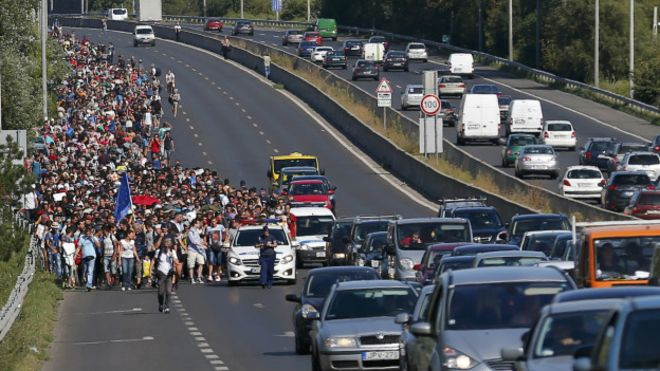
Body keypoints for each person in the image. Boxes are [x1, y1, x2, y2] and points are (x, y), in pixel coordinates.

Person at [154, 234, 177, 313]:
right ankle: (161, 304)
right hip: (161, 272)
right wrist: (150, 271)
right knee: (160, 292)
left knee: (168, 291)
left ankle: (167, 306)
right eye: (166, 242)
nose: (168, 243)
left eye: (169, 242)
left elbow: (176, 262)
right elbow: (154, 260)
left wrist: (172, 257)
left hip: (169, 273)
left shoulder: (172, 252)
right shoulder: (159, 251)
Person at [187, 218, 208, 283]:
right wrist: (201, 245)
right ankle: (191, 278)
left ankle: (199, 278)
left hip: (199, 250)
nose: (199, 224)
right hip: (192, 250)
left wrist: (203, 242)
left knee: (201, 263)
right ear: (194, 224)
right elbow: (193, 241)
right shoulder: (191, 231)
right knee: (191, 265)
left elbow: (198, 239)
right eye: (198, 223)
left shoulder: (196, 231)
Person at [78, 227, 98, 292]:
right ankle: (87, 281)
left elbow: (98, 245)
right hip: (84, 257)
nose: (88, 233)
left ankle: (89, 285)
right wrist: (75, 255)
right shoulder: (81, 238)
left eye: (89, 232)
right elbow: (79, 247)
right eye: (86, 231)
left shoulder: (93, 238)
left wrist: (92, 237)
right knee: (85, 270)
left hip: (92, 256)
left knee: (90, 271)